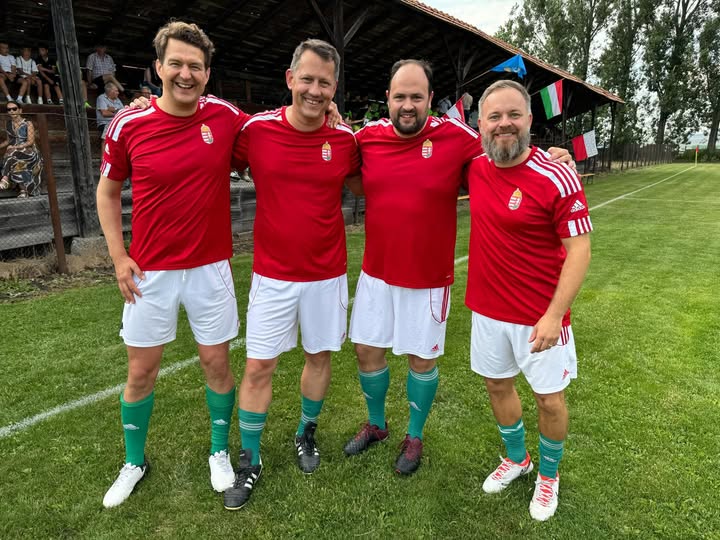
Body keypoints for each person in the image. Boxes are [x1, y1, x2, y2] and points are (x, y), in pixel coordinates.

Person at [345, 60, 573, 476]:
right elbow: (345, 162)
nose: (408, 105)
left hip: (428, 277)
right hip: (376, 273)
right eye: (400, 97)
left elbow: (507, 147)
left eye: (417, 97)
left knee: (421, 360)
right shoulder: (368, 137)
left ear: (431, 99)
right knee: (366, 352)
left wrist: (554, 155)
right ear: (388, 99)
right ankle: (376, 424)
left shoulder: (456, 137)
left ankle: (414, 435)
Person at [96, 21, 250, 509]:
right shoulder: (128, 123)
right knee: (141, 371)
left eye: (196, 66)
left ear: (207, 73)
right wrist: (119, 257)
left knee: (216, 363)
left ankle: (219, 451)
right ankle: (134, 462)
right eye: (177, 64)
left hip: (210, 268)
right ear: (158, 67)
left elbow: (277, 128)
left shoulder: (225, 116)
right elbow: (107, 191)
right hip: (149, 272)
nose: (186, 74)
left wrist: (325, 109)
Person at [222, 38, 360, 512]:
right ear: (290, 79)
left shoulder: (345, 141)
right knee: (259, 365)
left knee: (318, 357)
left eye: (325, 83)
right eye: (307, 79)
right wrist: (146, 103)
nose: (315, 90)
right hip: (272, 276)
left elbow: (372, 178)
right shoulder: (256, 131)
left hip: (327, 275)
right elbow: (204, 131)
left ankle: (306, 432)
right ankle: (250, 458)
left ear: (334, 88)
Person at [465, 80, 592, 521]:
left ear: (530, 120)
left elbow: (580, 250)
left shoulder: (557, 173)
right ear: (481, 124)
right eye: (495, 116)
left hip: (540, 317)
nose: (504, 124)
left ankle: (548, 477)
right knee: (497, 385)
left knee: (549, 400)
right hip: (487, 310)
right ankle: (518, 459)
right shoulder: (474, 165)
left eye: (513, 115)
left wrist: (555, 315)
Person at [0, 102, 43, 197]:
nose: (11, 111)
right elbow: (8, 140)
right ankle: (23, 191)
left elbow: (30, 142)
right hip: (14, 154)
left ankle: (5, 178)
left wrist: (15, 147)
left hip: (29, 152)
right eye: (9, 109)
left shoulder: (28, 123)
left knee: (11, 152)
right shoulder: (8, 124)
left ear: (20, 110)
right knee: (16, 162)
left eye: (14, 109)